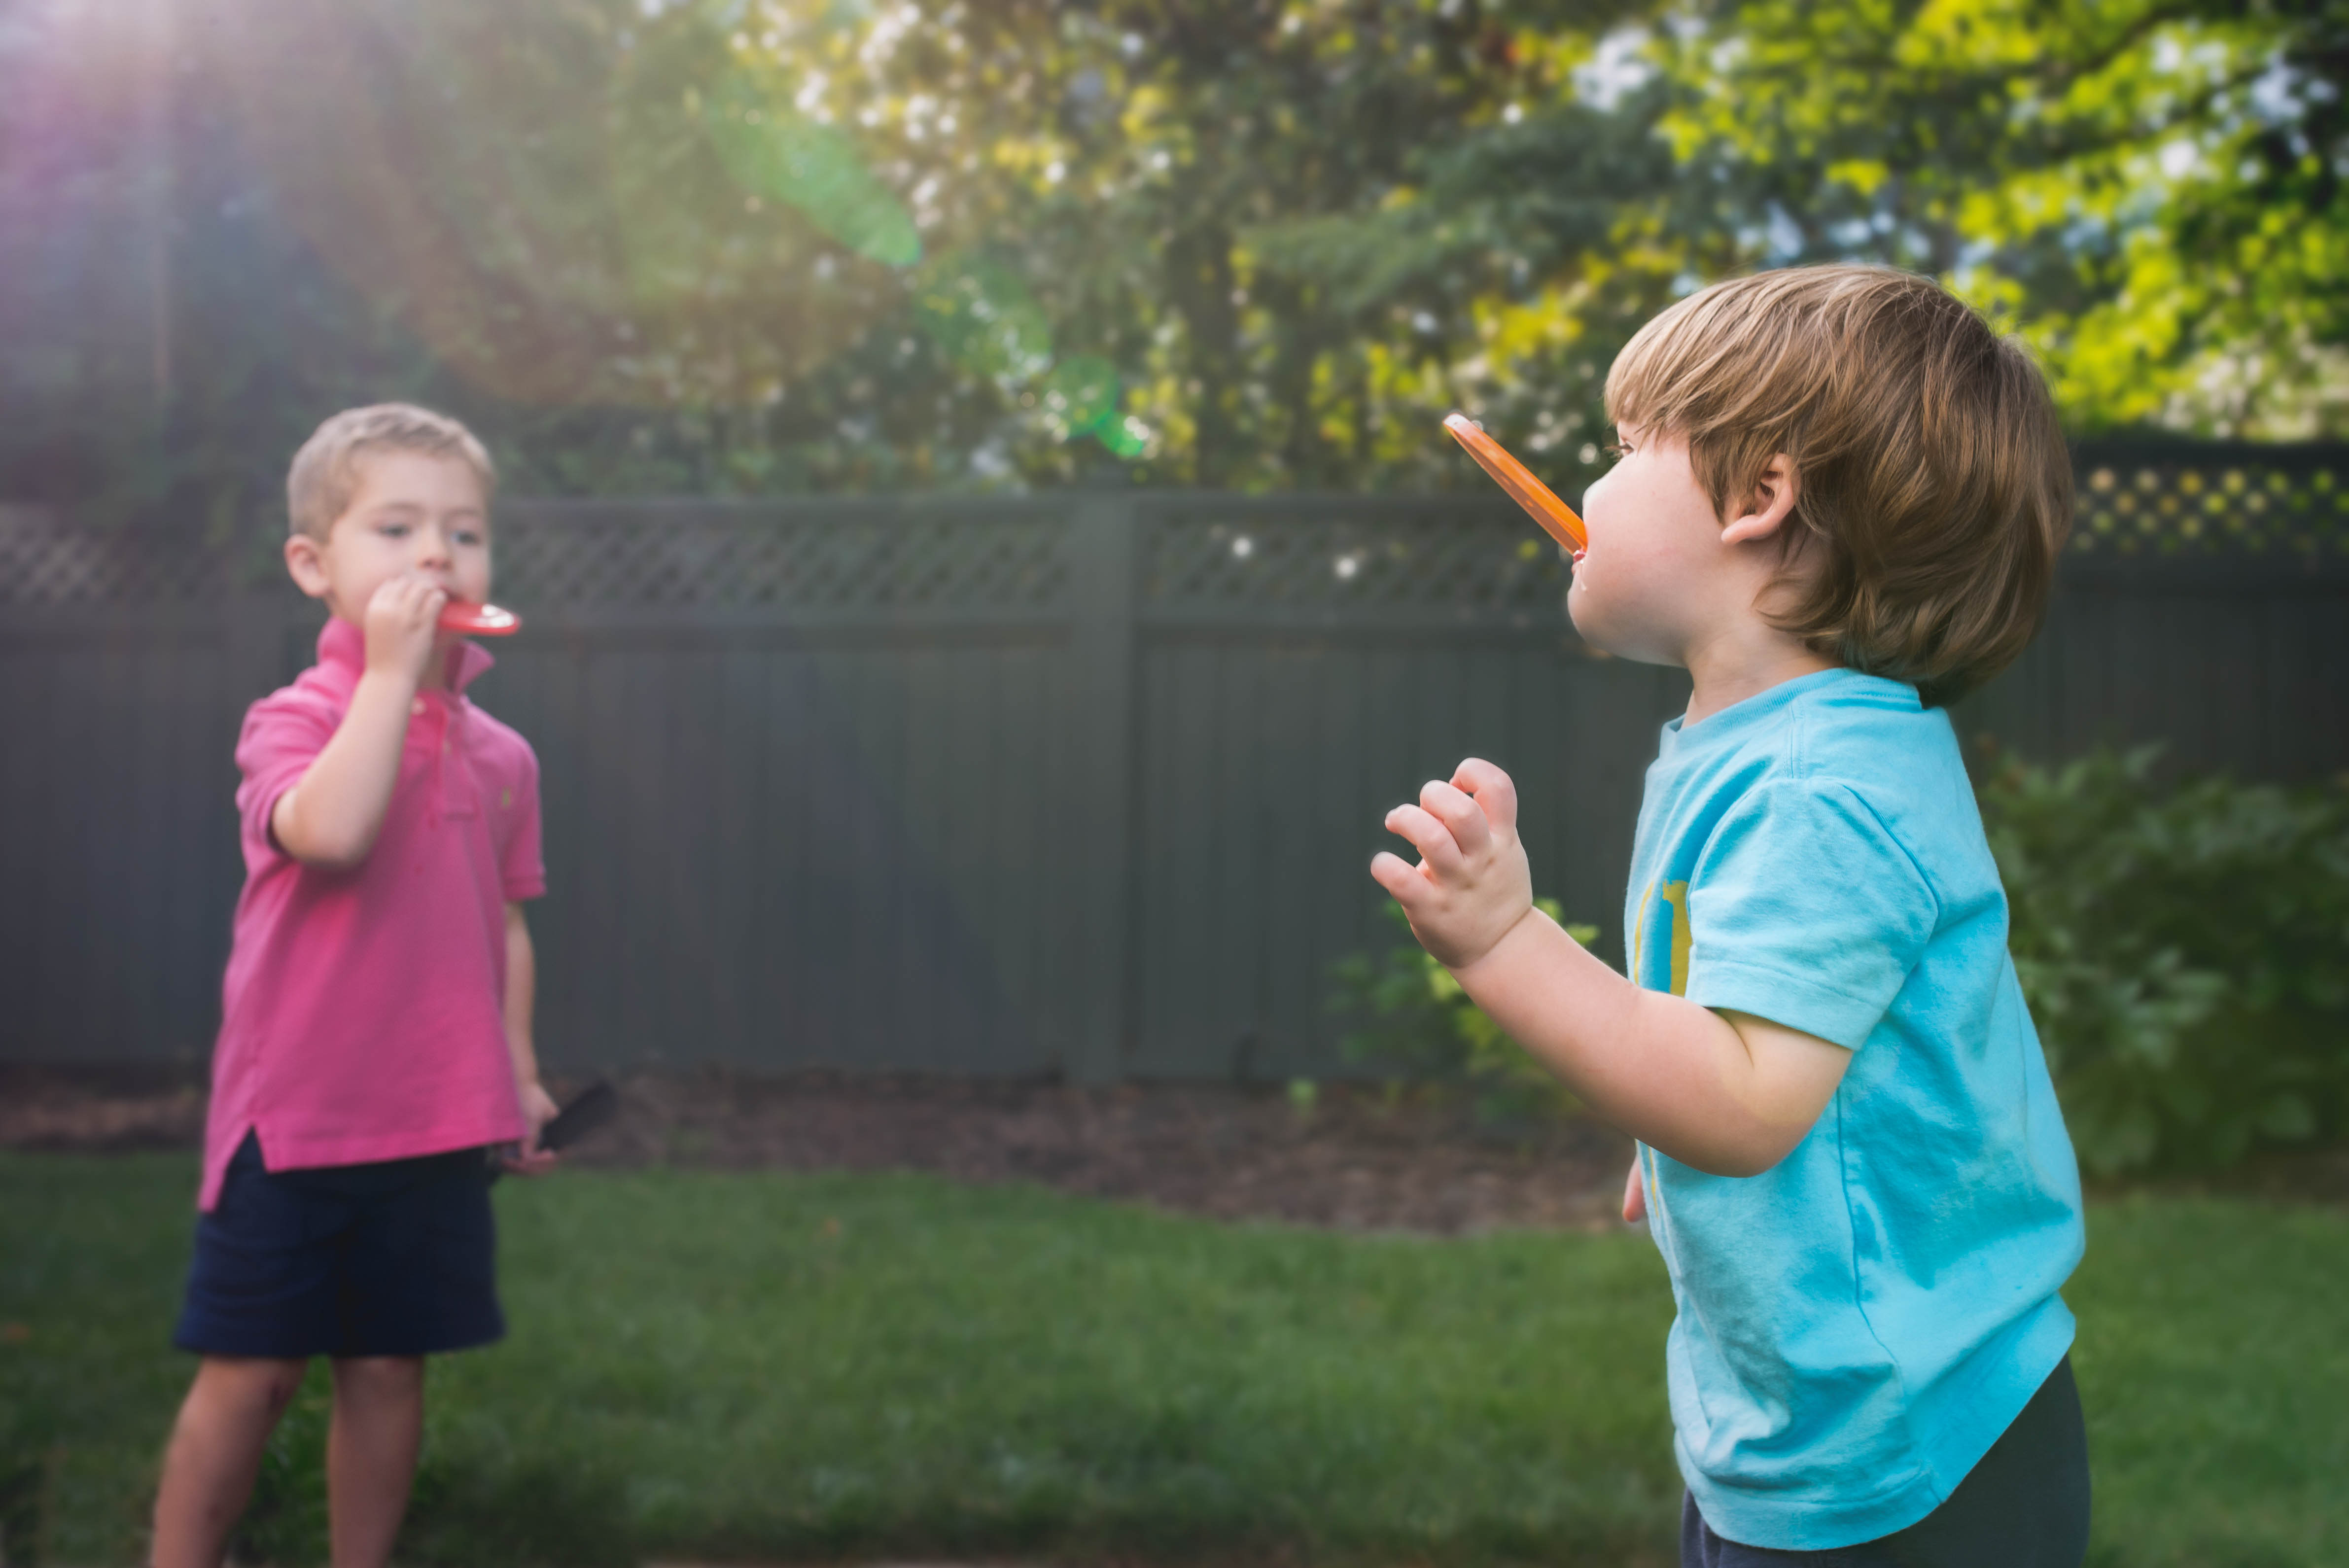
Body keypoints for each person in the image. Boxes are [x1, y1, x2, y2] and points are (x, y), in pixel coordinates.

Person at [1373, 267, 2090, 1566]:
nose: (1592, 483)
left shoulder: (1818, 786)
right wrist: (1667, 1124)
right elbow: (1769, 1030)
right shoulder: (1779, 746)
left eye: (1624, 449)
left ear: (1757, 497)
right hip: (1836, 1408)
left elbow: (1746, 1099)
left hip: (1900, 1454)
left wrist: (1504, 942)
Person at [151, 404, 556, 1568]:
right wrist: (388, 675)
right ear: (312, 566)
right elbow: (329, 834)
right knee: (258, 1373)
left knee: (386, 1368)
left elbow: (505, 919)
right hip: (295, 1119)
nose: (437, 554)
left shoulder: (503, 755)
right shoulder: (294, 719)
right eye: (396, 528)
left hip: (434, 1120)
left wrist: (519, 1070)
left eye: (464, 532)